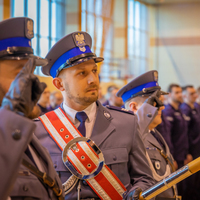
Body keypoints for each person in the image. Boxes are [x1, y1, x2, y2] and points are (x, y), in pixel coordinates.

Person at [34, 31, 155, 199]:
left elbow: (145, 179)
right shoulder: (38, 131)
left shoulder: (126, 123)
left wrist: (137, 192)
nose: (93, 80)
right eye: (82, 73)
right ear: (59, 84)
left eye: (94, 70)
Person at [0, 17, 63, 200]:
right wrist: (13, 115)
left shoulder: (27, 132)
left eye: (30, 71)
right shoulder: (13, 128)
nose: (31, 82)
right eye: (20, 72)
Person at [117, 70, 180, 200]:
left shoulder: (154, 134)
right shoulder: (130, 137)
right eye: (154, 103)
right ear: (133, 107)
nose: (162, 107)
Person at [160, 83, 191, 198]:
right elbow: (167, 137)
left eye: (180, 92)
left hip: (182, 154)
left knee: (184, 186)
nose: (180, 95)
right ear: (169, 95)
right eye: (176, 92)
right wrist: (171, 157)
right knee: (176, 188)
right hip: (174, 156)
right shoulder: (168, 112)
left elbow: (184, 135)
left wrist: (186, 153)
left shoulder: (180, 111)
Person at [180, 85, 200, 200]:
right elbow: (185, 134)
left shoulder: (195, 108)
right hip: (192, 151)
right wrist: (187, 152)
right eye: (192, 94)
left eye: (195, 93)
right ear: (185, 96)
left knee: (199, 181)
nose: (195, 95)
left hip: (199, 149)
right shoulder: (185, 109)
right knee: (190, 183)